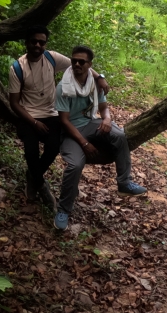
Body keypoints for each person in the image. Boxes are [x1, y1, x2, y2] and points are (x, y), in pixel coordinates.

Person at [8, 27, 110, 210]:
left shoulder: (51, 57)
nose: (38, 45)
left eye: (42, 42)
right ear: (27, 42)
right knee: (31, 151)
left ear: (45, 44)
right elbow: (14, 103)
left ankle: (33, 178)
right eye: (34, 41)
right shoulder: (17, 68)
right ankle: (40, 185)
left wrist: (100, 77)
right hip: (29, 115)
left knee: (54, 146)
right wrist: (34, 122)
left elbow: (80, 64)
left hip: (52, 113)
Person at [54, 44, 146, 231]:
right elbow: (64, 121)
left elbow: (103, 107)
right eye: (74, 61)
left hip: (91, 123)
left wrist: (107, 118)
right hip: (71, 130)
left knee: (119, 134)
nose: (77, 64)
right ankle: (63, 210)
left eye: (82, 61)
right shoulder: (63, 87)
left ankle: (124, 182)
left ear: (89, 65)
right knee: (75, 165)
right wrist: (84, 143)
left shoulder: (94, 82)